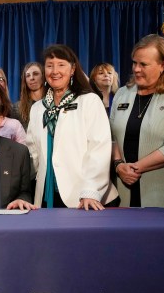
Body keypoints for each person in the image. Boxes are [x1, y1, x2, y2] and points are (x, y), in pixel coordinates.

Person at [109, 35, 164, 212]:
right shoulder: (122, 94)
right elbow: (112, 137)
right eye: (134, 63)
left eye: (143, 64)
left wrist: (134, 168)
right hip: (126, 191)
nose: (136, 69)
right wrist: (119, 166)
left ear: (163, 65)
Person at [26, 44, 118, 210]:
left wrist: (91, 191)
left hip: (84, 198)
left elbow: (99, 149)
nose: (55, 71)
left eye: (61, 65)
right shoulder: (37, 108)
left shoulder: (89, 101)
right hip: (47, 197)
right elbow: (33, 154)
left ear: (73, 69)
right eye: (49, 65)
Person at [17, 61, 45, 129]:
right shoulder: (17, 108)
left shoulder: (53, 102)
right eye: (28, 75)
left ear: (43, 76)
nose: (31, 78)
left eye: (35, 74)